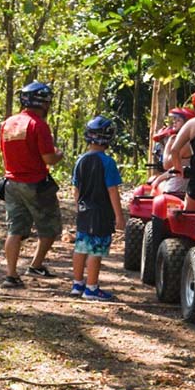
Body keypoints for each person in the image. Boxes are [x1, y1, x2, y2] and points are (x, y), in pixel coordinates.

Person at [0, 81, 64, 288]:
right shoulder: (39, 125)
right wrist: (59, 155)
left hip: (11, 183)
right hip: (35, 184)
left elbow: (4, 154)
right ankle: (35, 264)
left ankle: (11, 275)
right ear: (43, 103)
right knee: (51, 227)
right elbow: (49, 159)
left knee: (14, 230)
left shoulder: (8, 123)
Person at [69, 116, 125, 300]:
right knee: (95, 250)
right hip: (101, 212)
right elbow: (112, 191)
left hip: (84, 211)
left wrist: (79, 208)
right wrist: (119, 216)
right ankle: (91, 288)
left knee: (81, 246)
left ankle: (77, 284)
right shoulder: (107, 163)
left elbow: (76, 189)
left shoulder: (80, 160)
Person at [149, 107, 195, 196]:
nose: (174, 122)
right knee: (156, 183)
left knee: (156, 191)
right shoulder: (190, 140)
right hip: (182, 182)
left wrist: (169, 145)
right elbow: (175, 168)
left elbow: (166, 165)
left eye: (178, 120)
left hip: (177, 187)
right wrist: (159, 179)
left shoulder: (185, 143)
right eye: (174, 119)